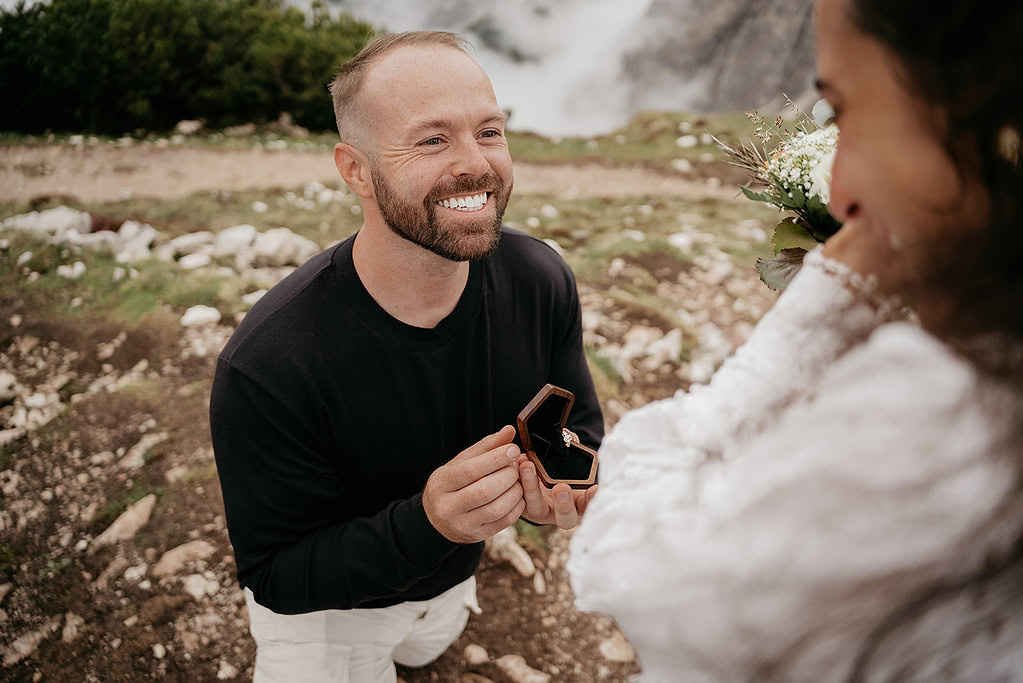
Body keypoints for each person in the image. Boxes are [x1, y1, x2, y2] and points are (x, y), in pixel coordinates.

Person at [568, 0, 1023, 680]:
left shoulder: (950, 424)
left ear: (986, 119)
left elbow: (643, 578)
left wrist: (823, 303)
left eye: (843, 111)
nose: (839, 196)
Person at [209, 31, 603, 683]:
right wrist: (427, 523)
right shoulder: (269, 361)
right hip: (328, 618)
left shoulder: (541, 279)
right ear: (355, 169)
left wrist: (563, 486)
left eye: (489, 131)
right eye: (432, 139)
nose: (475, 163)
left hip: (448, 592)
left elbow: (579, 426)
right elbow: (274, 570)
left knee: (423, 649)